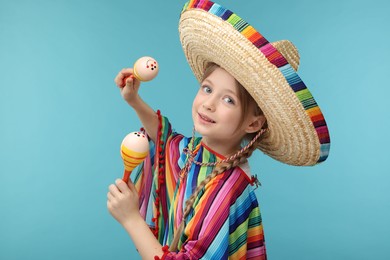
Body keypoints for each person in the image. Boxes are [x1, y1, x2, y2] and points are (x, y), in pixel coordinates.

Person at [107, 1, 330, 259]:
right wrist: (134, 99)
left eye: (229, 100)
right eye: (207, 88)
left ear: (253, 124)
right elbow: (165, 140)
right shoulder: (197, 153)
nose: (209, 104)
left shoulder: (228, 189)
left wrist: (131, 219)